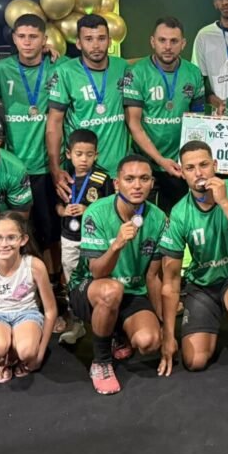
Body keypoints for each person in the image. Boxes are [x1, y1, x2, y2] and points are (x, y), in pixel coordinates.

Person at [157, 141, 228, 374]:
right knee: (195, 361)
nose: (198, 173)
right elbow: (171, 281)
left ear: (215, 165)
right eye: (190, 168)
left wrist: (224, 202)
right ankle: (211, 317)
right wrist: (168, 335)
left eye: (204, 165)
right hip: (204, 284)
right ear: (182, 173)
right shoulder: (179, 213)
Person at [68, 155, 168, 395]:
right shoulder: (96, 212)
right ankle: (101, 361)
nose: (137, 185)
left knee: (149, 342)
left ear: (152, 183)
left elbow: (153, 276)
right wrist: (117, 244)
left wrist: (164, 326)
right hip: (91, 289)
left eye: (144, 179)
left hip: (132, 292)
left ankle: (117, 332)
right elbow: (97, 272)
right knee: (112, 290)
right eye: (129, 179)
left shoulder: (159, 218)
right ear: (116, 183)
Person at [0, 15, 59, 274]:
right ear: (14, 39)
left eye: (34, 37)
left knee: (51, 230)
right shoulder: (1, 69)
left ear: (44, 39)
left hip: (48, 166)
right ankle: (18, 280)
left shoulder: (58, 66)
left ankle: (54, 281)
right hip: (13, 167)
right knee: (16, 230)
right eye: (22, 36)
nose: (27, 42)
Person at [124, 16, 205, 212]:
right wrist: (160, 160)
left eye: (174, 41)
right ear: (153, 41)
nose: (168, 47)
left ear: (183, 44)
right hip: (145, 163)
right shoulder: (137, 73)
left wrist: (191, 162)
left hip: (179, 165)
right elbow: (133, 123)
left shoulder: (193, 73)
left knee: (178, 220)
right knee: (143, 221)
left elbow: (198, 122)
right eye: (162, 40)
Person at [48, 13, 130, 201]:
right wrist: (55, 168)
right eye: (88, 39)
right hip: (82, 172)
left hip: (119, 171)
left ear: (110, 41)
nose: (95, 45)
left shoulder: (122, 68)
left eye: (101, 38)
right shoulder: (65, 72)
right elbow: (54, 123)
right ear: (78, 43)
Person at [0, 212, 57, 383]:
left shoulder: (34, 265)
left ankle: (15, 353)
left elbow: (50, 311)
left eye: (11, 237)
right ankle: (7, 353)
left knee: (27, 351)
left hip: (27, 314)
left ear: (23, 240)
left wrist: (39, 354)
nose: (4, 244)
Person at [56, 128, 114, 345]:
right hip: (69, 237)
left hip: (95, 239)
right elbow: (56, 206)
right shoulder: (64, 178)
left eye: (89, 155)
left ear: (96, 155)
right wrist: (63, 211)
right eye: (79, 154)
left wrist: (87, 209)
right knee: (72, 278)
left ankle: (108, 326)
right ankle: (77, 322)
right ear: (68, 154)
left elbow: (111, 208)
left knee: (99, 278)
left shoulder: (102, 179)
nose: (83, 159)